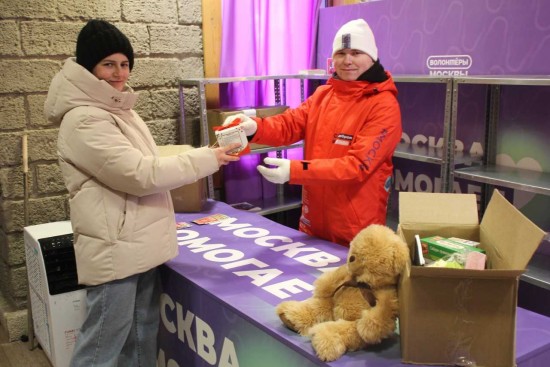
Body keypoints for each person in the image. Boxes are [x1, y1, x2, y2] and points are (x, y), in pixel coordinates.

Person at [44, 19, 239, 367]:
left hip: (137, 244)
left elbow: (144, 164)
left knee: (140, 337)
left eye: (124, 64)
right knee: (100, 349)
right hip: (115, 249)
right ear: (89, 67)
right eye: (108, 64)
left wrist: (203, 156)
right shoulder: (85, 119)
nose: (119, 73)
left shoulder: (118, 109)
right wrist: (207, 158)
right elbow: (139, 174)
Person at [223, 19, 402, 247]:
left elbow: (356, 166)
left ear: (372, 57)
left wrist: (295, 171)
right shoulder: (323, 95)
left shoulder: (384, 105)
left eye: (356, 52)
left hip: (356, 229)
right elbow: (289, 124)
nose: (347, 61)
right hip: (313, 220)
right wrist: (255, 127)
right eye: (341, 53)